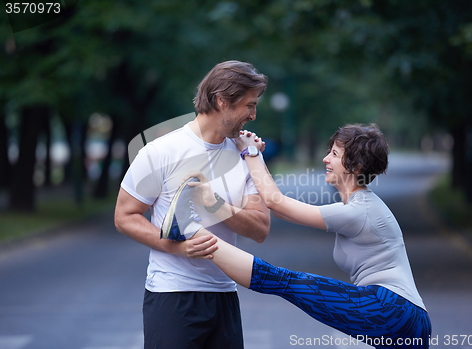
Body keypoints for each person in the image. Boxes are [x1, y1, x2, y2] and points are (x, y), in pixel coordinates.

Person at [174, 124, 432, 349]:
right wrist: (253, 155)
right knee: (285, 282)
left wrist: (250, 152)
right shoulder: (359, 206)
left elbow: (277, 204)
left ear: (357, 166)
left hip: (392, 309)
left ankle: (187, 225)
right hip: (407, 318)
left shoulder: (360, 210)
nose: (325, 159)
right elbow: (283, 210)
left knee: (282, 280)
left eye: (334, 154)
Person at [114, 60, 271, 349]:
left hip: (224, 293)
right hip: (172, 295)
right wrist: (174, 247)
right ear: (223, 101)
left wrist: (215, 204)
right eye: (249, 105)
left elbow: (260, 228)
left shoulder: (246, 155)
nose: (253, 115)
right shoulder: (161, 152)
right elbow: (125, 216)